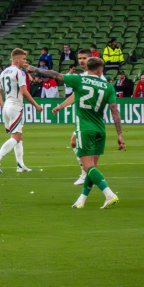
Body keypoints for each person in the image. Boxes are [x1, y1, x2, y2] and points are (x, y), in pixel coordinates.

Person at [28, 57, 126, 209]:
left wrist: (36, 69)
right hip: (100, 128)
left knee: (88, 168)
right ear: (100, 70)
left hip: (84, 128)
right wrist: (119, 134)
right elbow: (114, 111)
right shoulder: (108, 87)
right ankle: (81, 200)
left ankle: (109, 194)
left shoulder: (79, 80)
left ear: (87, 67)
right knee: (92, 168)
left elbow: (55, 74)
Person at [50, 49, 107, 185]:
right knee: (76, 143)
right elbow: (76, 95)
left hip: (91, 119)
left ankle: (88, 174)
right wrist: (61, 106)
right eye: (80, 58)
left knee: (83, 148)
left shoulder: (98, 78)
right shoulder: (83, 76)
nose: (81, 61)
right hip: (86, 119)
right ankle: (88, 174)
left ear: (91, 59)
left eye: (84, 58)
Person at [0, 48, 43, 174]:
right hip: (16, 107)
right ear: (17, 59)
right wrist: (36, 105)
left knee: (19, 135)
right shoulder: (20, 73)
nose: (25, 61)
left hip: (7, 106)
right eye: (24, 59)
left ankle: (20, 165)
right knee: (16, 137)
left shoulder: (4, 72)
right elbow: (24, 92)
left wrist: (4, 106)